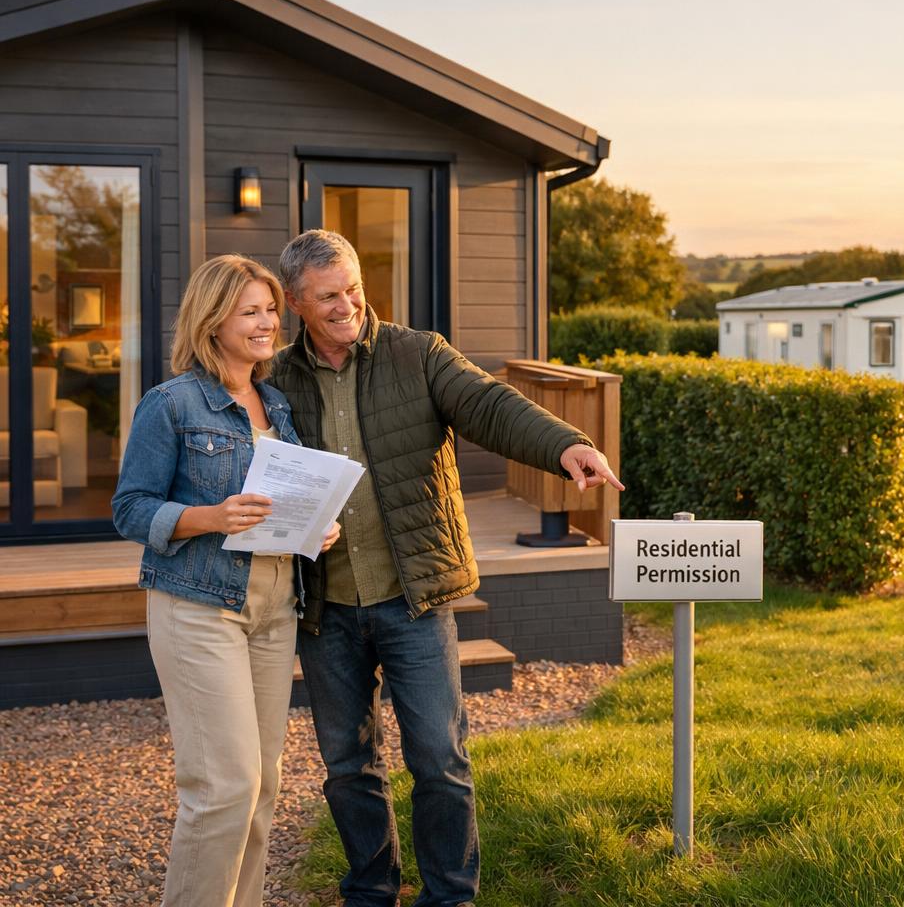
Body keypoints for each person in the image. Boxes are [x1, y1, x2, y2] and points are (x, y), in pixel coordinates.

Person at [270, 229, 623, 907]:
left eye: (352, 290)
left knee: (439, 760)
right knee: (348, 768)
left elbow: (491, 405)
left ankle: (450, 896)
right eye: (327, 298)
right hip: (326, 606)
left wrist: (566, 445)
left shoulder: (417, 353)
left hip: (415, 596)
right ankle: (371, 891)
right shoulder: (277, 379)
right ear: (294, 303)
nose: (347, 306)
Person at [112, 254, 340, 907]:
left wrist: (317, 526)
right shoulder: (172, 403)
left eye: (271, 309)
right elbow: (130, 508)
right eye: (251, 311)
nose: (268, 322)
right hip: (198, 607)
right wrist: (208, 516)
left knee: (262, 786)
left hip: (274, 607)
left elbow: (282, 501)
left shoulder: (275, 404)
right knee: (223, 788)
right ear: (213, 320)